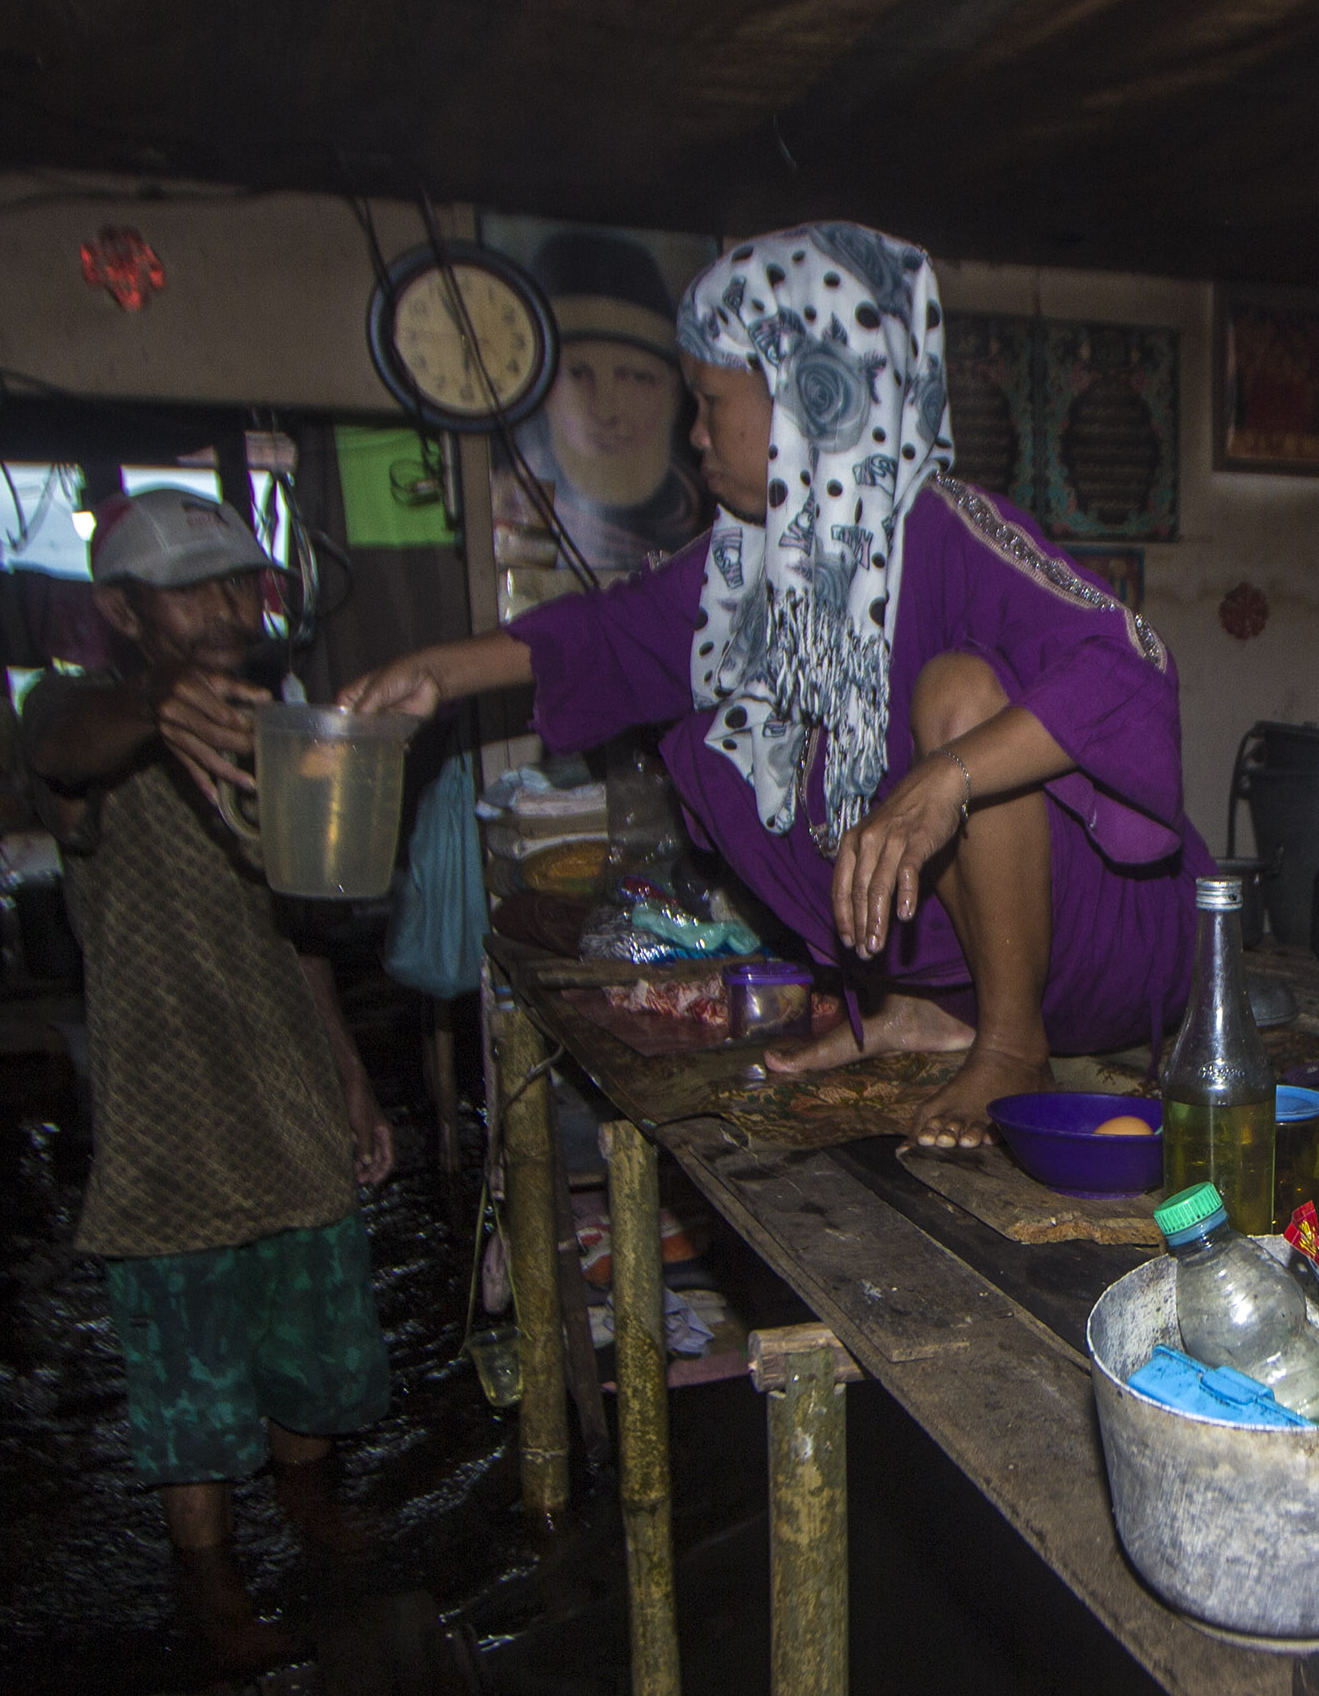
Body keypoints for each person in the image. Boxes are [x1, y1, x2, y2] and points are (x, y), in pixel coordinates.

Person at [343, 221, 1206, 1149]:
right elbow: (608, 635)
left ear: (810, 396)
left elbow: (1132, 665)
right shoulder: (737, 572)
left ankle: (1009, 1041)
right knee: (710, 714)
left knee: (959, 697)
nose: (696, 432)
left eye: (712, 400)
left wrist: (946, 778)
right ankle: (927, 1004)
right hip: (985, 965)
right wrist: (432, 671)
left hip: (1117, 953)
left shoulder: (950, 529)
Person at [21, 488, 397, 1650]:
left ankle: (309, 1509)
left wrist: (345, 1069)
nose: (226, 603)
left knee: (312, 1338)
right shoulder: (88, 721)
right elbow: (52, 743)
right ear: (122, 610)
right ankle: (211, 1578)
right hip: (164, 1106)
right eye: (190, 587)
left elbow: (300, 926)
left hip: (281, 1082)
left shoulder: (281, 728)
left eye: (238, 579)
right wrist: (150, 703)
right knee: (186, 1369)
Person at [500, 230, 708, 579]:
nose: (607, 411)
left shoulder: (720, 520)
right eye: (577, 374)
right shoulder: (510, 509)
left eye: (636, 378)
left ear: (675, 393)